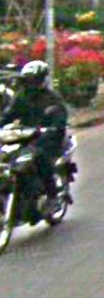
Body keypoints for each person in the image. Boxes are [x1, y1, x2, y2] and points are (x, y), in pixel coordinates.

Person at [0, 60, 68, 213]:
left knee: (40, 157)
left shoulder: (51, 98)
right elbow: (9, 115)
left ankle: (52, 197)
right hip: (25, 136)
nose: (30, 84)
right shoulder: (21, 97)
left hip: (48, 138)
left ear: (42, 80)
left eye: (34, 80)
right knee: (6, 157)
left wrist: (52, 129)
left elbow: (59, 119)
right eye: (28, 80)